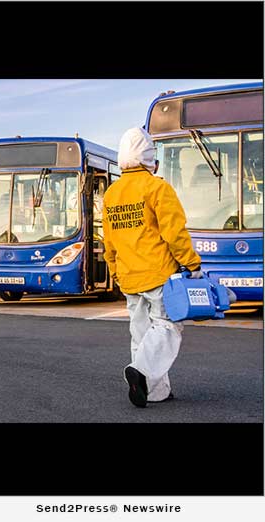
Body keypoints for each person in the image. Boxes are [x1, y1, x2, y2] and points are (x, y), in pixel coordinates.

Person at [103, 127, 206, 408]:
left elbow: (108, 241)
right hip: (159, 275)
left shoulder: (112, 195)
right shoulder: (157, 188)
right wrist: (192, 263)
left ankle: (154, 391)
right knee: (167, 327)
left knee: (141, 334)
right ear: (149, 159)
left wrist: (115, 271)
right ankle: (142, 372)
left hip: (129, 277)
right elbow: (174, 233)